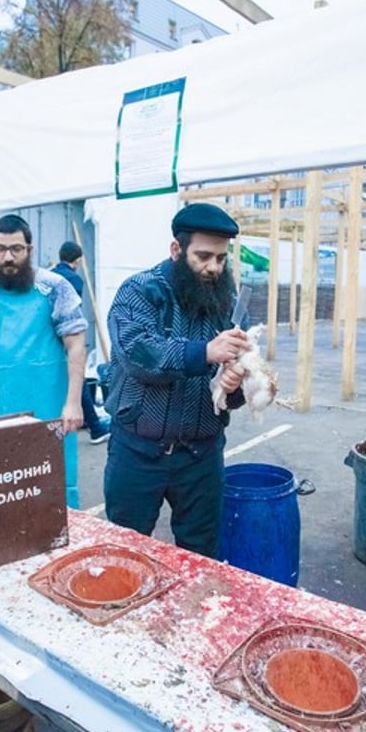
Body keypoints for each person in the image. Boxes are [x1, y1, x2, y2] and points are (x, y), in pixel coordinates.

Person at [102, 203, 250, 558]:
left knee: (201, 557)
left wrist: (233, 386)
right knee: (127, 553)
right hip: (138, 453)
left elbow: (239, 369)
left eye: (220, 258)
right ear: (176, 250)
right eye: (202, 256)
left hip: (201, 457)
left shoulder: (227, 300)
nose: (213, 267)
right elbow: (138, 354)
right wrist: (204, 353)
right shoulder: (139, 291)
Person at [0, 215, 88, 506]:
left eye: (16, 249)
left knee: (51, 483)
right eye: (1, 249)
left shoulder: (55, 288)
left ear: (29, 249)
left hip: (47, 405)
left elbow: (77, 345)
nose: (8, 257)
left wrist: (73, 402)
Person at [51, 240, 112, 444]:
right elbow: (71, 313)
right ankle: (95, 427)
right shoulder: (73, 280)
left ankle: (87, 422)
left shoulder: (50, 275)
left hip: (49, 339)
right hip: (67, 337)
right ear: (77, 261)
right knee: (78, 379)